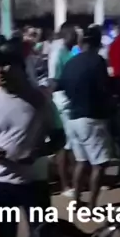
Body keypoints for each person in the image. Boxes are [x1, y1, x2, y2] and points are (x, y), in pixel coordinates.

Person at [0, 47, 54, 237]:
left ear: (20, 67)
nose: (0, 70)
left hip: (34, 182)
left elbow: (59, 137)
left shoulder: (40, 100)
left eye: (6, 64)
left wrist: (38, 153)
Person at [58, 24, 112, 207]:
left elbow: (62, 87)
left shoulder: (71, 62)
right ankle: (92, 205)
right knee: (99, 164)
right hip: (92, 117)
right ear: (98, 43)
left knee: (81, 161)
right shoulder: (98, 61)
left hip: (73, 117)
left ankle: (76, 200)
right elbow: (104, 89)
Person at [49, 25, 79, 195]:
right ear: (66, 35)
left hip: (70, 102)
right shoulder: (58, 53)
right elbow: (53, 81)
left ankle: (74, 182)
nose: (76, 37)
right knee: (64, 146)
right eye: (74, 34)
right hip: (62, 104)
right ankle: (65, 185)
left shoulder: (69, 51)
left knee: (72, 145)